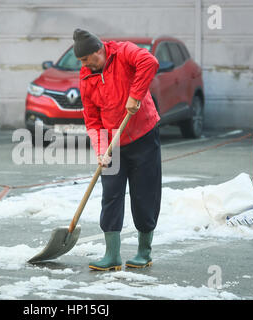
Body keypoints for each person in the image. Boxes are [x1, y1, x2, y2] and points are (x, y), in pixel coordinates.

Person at [73, 28, 162, 271]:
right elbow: (92, 119)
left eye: (84, 59)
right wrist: (102, 149)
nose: (82, 64)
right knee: (111, 195)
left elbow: (149, 62)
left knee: (144, 193)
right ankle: (112, 255)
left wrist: (135, 95)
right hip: (113, 144)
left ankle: (144, 252)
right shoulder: (86, 77)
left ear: (97, 51)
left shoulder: (123, 52)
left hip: (143, 135)